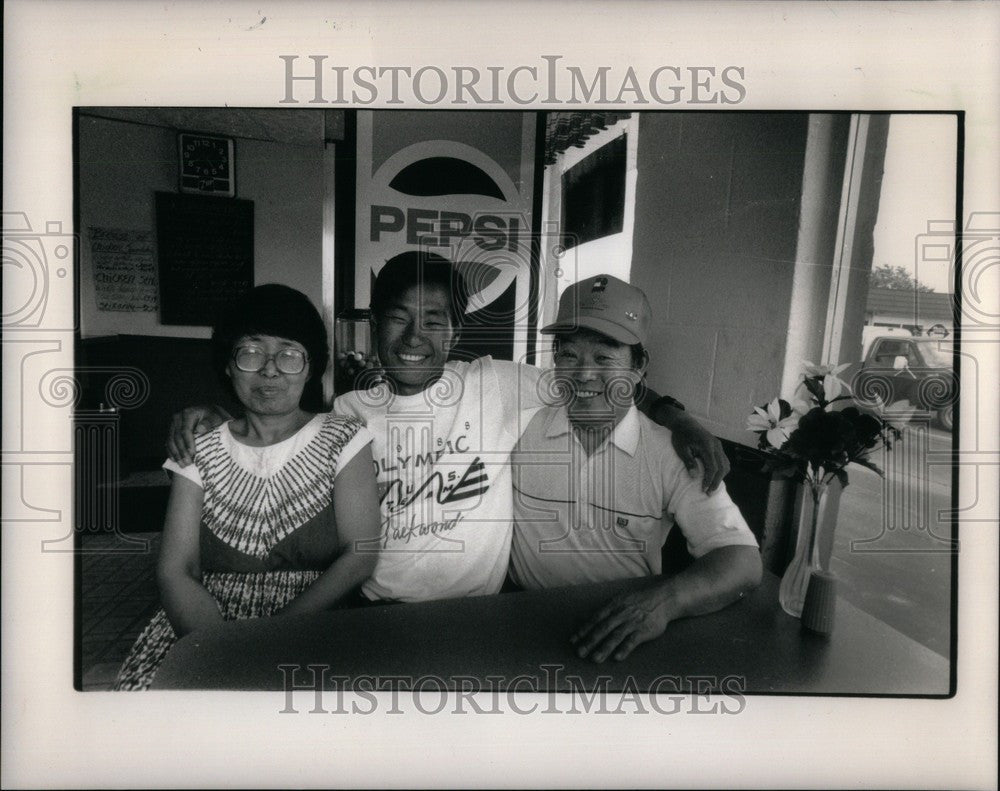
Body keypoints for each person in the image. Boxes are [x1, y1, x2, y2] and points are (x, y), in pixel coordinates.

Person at [167, 252, 730, 603]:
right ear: (373, 326)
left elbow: (594, 376)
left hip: (479, 610)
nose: (415, 337)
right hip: (370, 609)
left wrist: (676, 415)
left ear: (455, 332)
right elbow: (276, 426)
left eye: (433, 320)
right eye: (398, 318)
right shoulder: (347, 413)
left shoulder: (498, 383)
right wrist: (220, 417)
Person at [115, 285, 381, 690]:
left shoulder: (344, 437)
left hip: (317, 621)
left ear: (310, 367)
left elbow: (359, 556)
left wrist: (267, 640)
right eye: (251, 352)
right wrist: (223, 649)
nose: (270, 369)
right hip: (202, 627)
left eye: (289, 353)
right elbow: (176, 570)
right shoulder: (199, 445)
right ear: (228, 364)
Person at [509, 275, 762, 663]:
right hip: (517, 621)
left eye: (605, 357)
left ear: (639, 365)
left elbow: (741, 560)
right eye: (569, 354)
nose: (584, 375)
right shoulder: (519, 421)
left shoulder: (670, 451)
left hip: (621, 634)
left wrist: (663, 603)